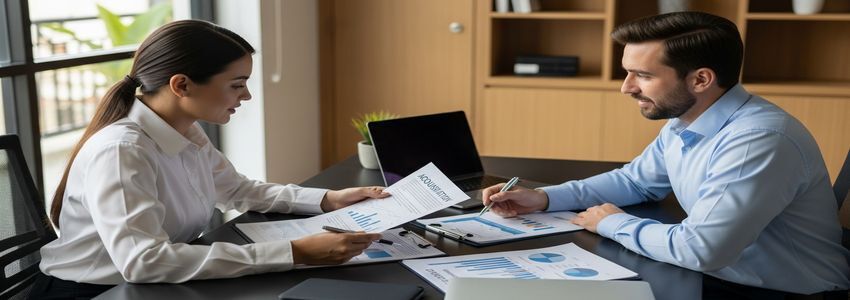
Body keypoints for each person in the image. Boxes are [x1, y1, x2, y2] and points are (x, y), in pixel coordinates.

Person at [482, 11, 850, 298]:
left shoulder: (758, 140)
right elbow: (635, 181)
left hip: (778, 290)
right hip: (723, 275)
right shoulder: (687, 119)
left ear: (700, 80)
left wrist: (612, 222)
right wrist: (545, 197)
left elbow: (701, 250)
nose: (626, 88)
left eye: (642, 75)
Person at [31, 20, 388, 299]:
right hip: (96, 292)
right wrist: (293, 252)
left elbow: (236, 189)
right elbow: (143, 261)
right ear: (182, 85)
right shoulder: (123, 151)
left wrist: (328, 198)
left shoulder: (185, 129)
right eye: (237, 84)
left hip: (151, 286)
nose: (246, 95)